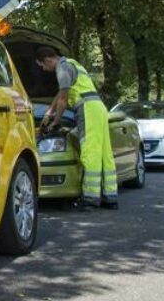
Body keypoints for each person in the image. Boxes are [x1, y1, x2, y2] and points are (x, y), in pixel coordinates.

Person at [36, 46, 118, 209]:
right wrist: (48, 113)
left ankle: (90, 198)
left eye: (43, 66)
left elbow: (63, 100)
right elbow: (60, 94)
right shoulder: (73, 64)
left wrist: (55, 121)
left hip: (87, 109)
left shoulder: (62, 69)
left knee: (90, 153)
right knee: (104, 152)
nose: (44, 70)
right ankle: (110, 197)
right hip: (99, 108)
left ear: (48, 60)